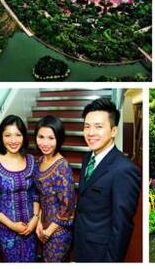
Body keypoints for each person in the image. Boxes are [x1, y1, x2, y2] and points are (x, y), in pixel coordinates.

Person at [74, 98, 141, 262]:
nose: (90, 133)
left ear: (113, 131)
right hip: (82, 242)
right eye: (87, 126)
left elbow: (122, 225)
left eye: (98, 127)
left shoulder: (124, 170)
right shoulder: (87, 157)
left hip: (101, 252)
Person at [0, 115, 39, 262]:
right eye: (8, 135)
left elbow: (35, 193)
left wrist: (35, 219)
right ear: (1, 137)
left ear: (24, 137)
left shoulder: (31, 161)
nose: (13, 140)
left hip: (30, 229)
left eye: (18, 135)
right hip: (6, 232)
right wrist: (12, 225)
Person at [34, 115, 75, 262]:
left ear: (59, 139)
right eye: (41, 137)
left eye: (51, 138)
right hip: (43, 225)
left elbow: (67, 207)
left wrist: (48, 232)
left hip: (58, 232)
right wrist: (38, 222)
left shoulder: (62, 167)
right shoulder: (40, 161)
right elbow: (38, 195)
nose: (45, 143)